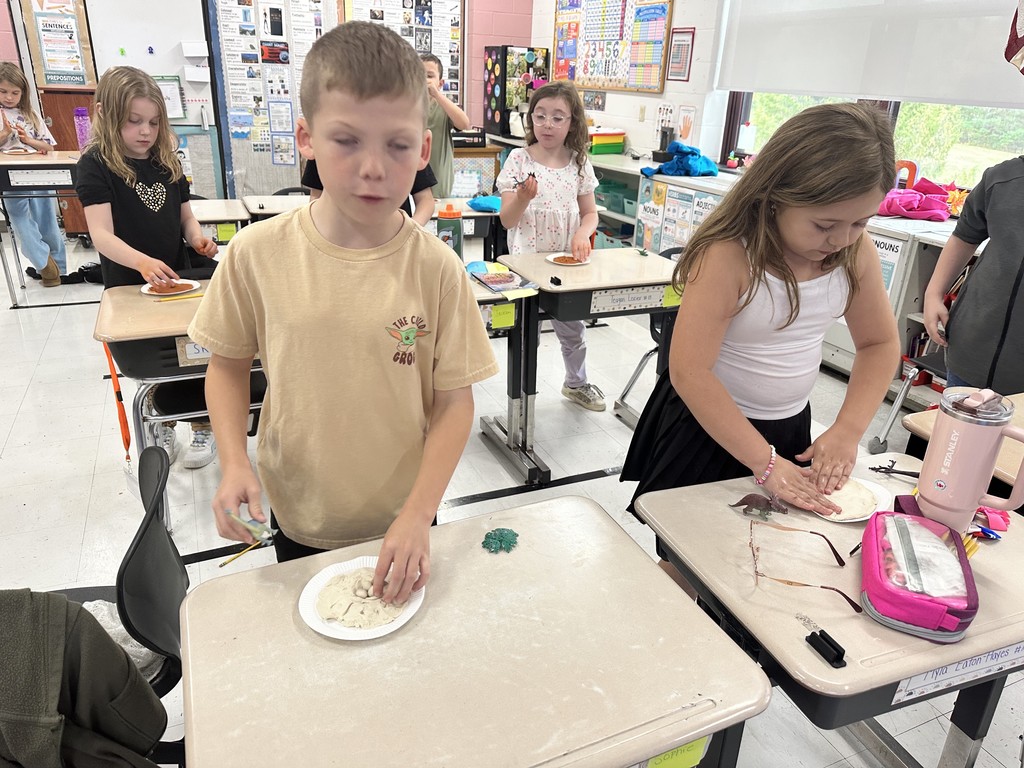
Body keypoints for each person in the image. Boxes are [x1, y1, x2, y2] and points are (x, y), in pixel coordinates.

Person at [188, 22, 498, 605]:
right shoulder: (257, 253)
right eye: (347, 140)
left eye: (398, 145)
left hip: (405, 516)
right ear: (305, 138)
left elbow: (455, 403)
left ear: (424, 149)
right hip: (300, 513)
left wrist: (419, 514)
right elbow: (227, 367)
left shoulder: (436, 268)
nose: (375, 167)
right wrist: (234, 463)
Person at [621, 103, 901, 579]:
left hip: (787, 429)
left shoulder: (855, 254)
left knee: (763, 556)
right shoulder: (729, 255)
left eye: (860, 222)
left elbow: (878, 344)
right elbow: (690, 371)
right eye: (824, 224)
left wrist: (848, 429)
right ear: (776, 194)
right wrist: (764, 463)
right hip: (707, 427)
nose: (841, 238)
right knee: (687, 560)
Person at [76, 66, 221, 469]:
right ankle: (164, 424)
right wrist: (141, 262)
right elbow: (101, 235)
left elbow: (186, 218)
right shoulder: (95, 165)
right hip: (128, 284)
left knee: (194, 353)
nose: (146, 132)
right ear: (105, 114)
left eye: (154, 122)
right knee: (154, 361)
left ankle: (202, 423)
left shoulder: (165, 161)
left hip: (178, 277)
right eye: (134, 122)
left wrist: (197, 238)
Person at [496, 81, 605, 411]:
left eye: (558, 117)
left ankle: (576, 383)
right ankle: (522, 398)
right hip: (526, 263)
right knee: (526, 331)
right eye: (540, 116)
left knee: (572, 328)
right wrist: (522, 198)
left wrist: (582, 235)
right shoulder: (519, 159)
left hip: (565, 263)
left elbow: (590, 214)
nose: (548, 124)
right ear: (530, 119)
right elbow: (506, 220)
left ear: (573, 122)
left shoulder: (579, 163)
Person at [923, 156, 1024, 393]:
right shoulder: (1001, 178)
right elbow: (965, 235)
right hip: (970, 351)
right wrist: (934, 293)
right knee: (959, 429)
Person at [0, 62, 67, 288]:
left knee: (46, 218)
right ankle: (44, 264)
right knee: (20, 219)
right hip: (9, 174)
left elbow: (49, 147)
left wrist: (28, 140)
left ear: (23, 93)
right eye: (3, 91)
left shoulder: (30, 114)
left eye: (15, 92)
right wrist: (5, 135)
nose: (9, 97)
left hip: (39, 172)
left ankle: (60, 270)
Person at [301, 156, 438, 226]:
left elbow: (425, 200)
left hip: (395, 240)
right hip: (340, 238)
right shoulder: (325, 145)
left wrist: (411, 231)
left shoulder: (402, 139)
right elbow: (316, 196)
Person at [420, 53, 471, 199]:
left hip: (439, 184)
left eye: (429, 76)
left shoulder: (443, 106)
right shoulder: (407, 106)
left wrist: (437, 95)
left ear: (440, 83)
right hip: (411, 184)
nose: (424, 79)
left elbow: (464, 124)